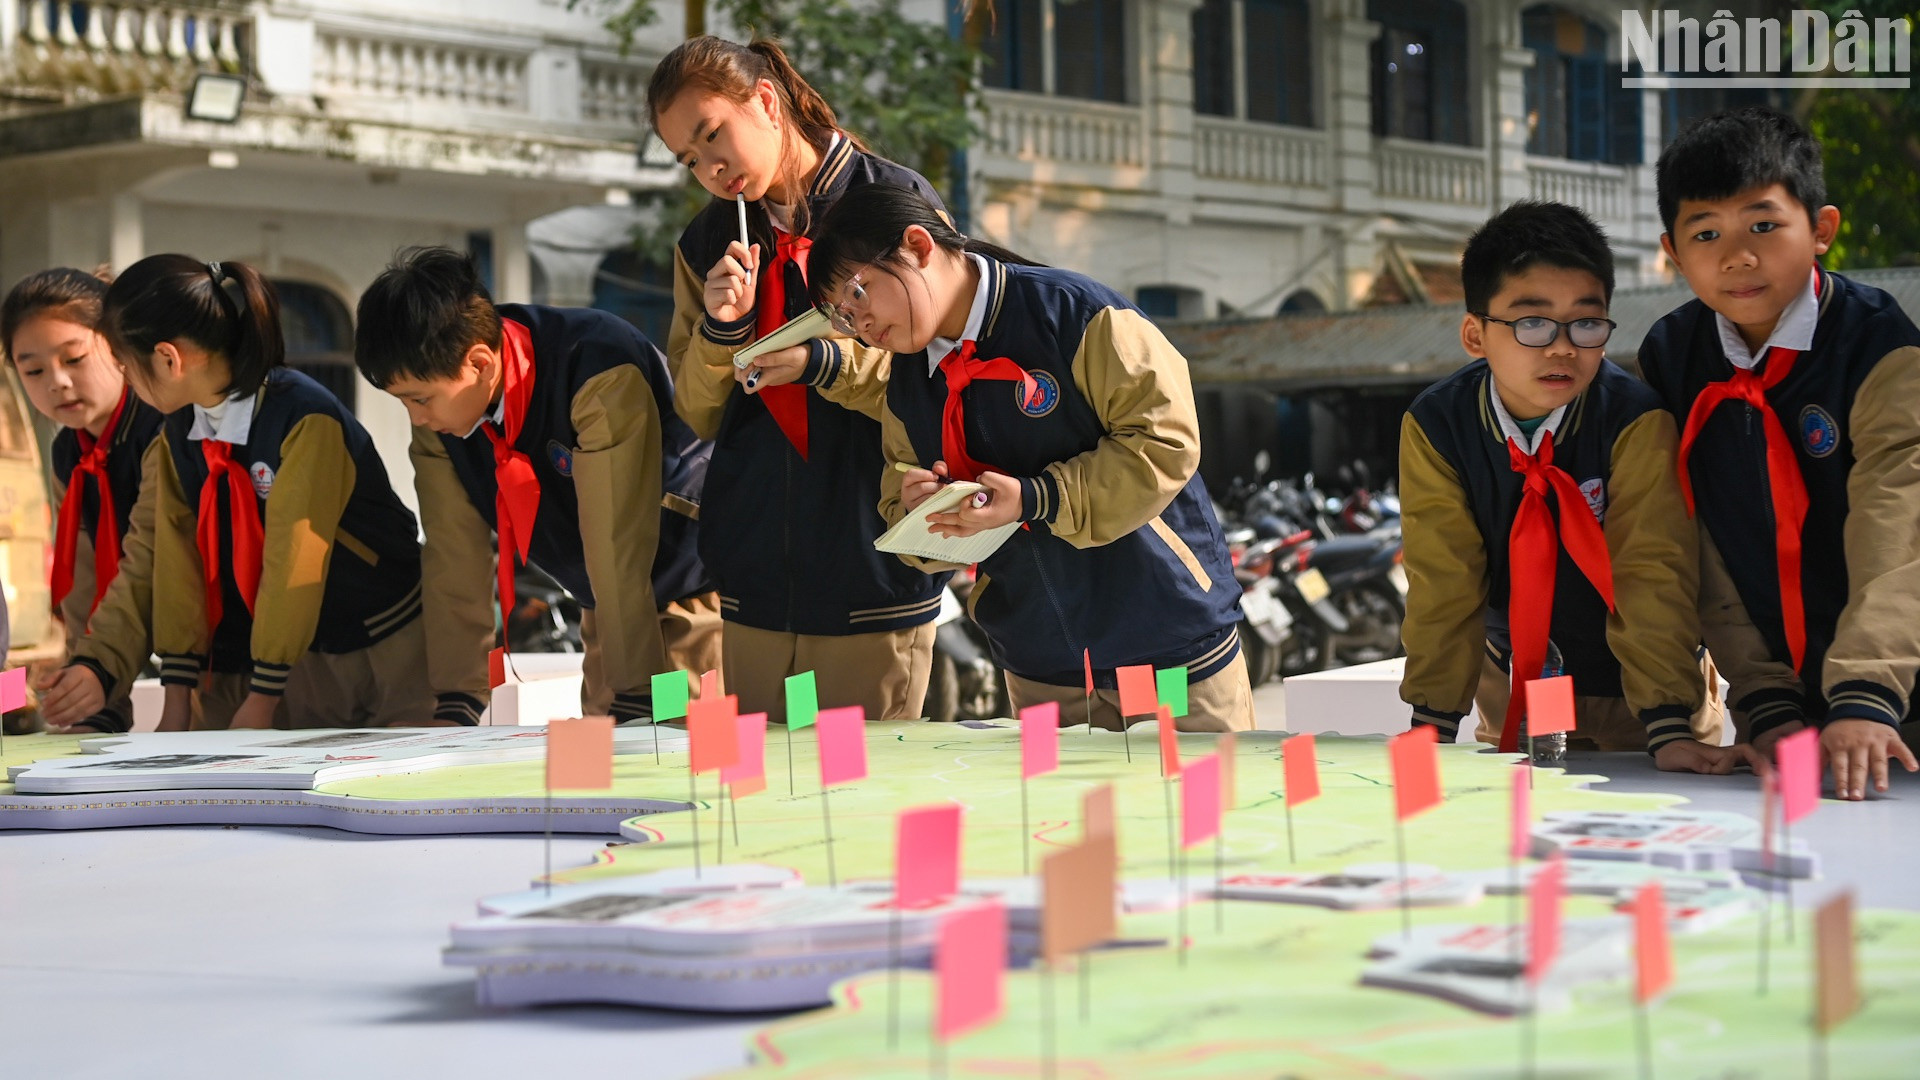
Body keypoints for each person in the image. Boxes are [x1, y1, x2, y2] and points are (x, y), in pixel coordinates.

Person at [805, 183, 1254, 731]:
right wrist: (921, 513)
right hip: (1041, 666)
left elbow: (1164, 442)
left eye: (858, 294)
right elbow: (902, 500)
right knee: (1066, 819)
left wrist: (1035, 498)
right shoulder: (907, 382)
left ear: (918, 247)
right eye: (841, 315)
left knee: (1197, 813)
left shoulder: (1076, 314)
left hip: (1167, 644)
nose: (860, 325)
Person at [650, 36, 948, 723]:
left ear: (765, 101)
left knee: (851, 806)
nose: (708, 166)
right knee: (762, 804)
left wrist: (826, 362)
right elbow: (695, 412)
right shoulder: (705, 245)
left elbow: (938, 368)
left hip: (869, 572)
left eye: (712, 134)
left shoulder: (892, 202)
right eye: (688, 159)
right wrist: (724, 328)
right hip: (753, 580)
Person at [1397, 201, 1745, 771]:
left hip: (1644, 696)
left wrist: (1668, 725)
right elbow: (1444, 581)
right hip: (1517, 687)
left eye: (1586, 322)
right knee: (1523, 837)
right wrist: (1431, 726)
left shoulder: (1635, 420)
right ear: (1475, 334)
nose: (1563, 347)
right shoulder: (1438, 426)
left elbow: (1650, 571)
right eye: (1532, 323)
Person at [1638, 106, 1920, 799]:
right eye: (1706, 233)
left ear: (1821, 230)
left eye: (1764, 224)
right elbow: (1692, 540)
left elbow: (1900, 527)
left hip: (1894, 689)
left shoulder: (1880, 346)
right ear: (1673, 253)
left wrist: (1864, 695)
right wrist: (1765, 703)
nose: (1737, 255)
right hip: (1790, 708)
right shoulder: (1672, 359)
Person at [353, 246, 717, 725]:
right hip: (604, 613)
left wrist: (634, 688)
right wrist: (458, 696)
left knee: (689, 768)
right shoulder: (445, 415)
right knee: (599, 781)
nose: (416, 417)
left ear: (480, 363)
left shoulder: (594, 366)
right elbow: (452, 555)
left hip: (692, 595)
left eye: (419, 399)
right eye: (403, 402)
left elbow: (617, 543)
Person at [101, 255, 432, 729]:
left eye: (125, 366)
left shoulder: (301, 416)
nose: (126, 382)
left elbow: (294, 560)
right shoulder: (181, 430)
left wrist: (263, 695)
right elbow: (177, 560)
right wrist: (177, 697)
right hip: (296, 650)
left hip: (381, 640)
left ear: (168, 359)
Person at [2, 268, 164, 733]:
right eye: (33, 371)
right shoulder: (68, 452)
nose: (57, 382)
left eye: (73, 358)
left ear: (116, 344)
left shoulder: (164, 428)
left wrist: (99, 672)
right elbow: (84, 585)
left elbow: (147, 567)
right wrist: (92, 699)